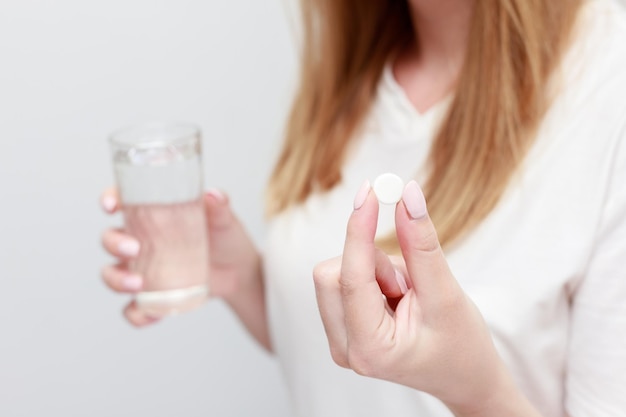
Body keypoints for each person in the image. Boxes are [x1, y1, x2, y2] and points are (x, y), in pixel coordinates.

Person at [100, 0, 626, 415]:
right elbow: (348, 357)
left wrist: (478, 393)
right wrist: (245, 280)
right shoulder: (358, 64)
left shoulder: (607, 86)